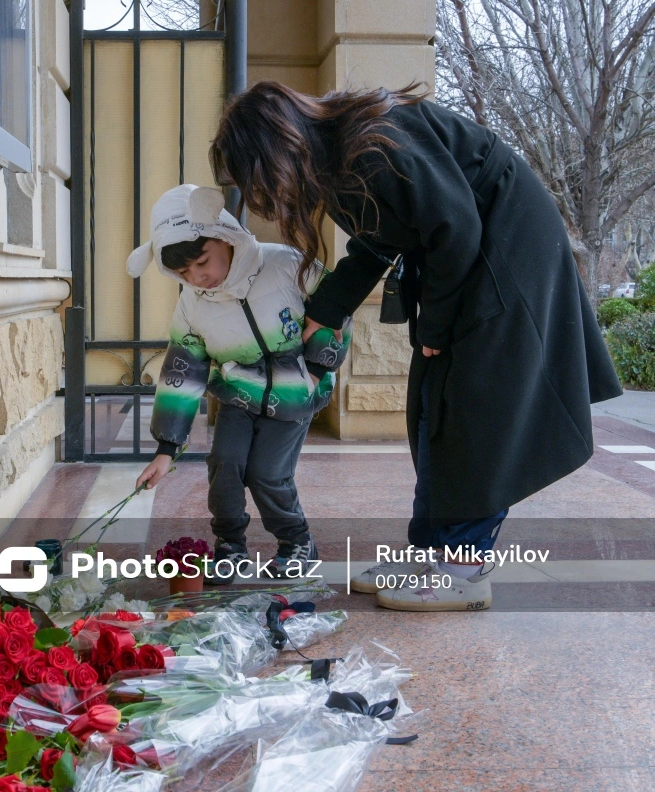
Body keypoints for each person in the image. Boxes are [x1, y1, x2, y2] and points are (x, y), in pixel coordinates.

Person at [209, 83, 623, 610]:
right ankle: (433, 550)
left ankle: (464, 568)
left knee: (476, 414)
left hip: (507, 252)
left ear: (278, 145)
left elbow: (456, 229)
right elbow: (380, 240)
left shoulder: (375, 142)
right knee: (433, 407)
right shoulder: (339, 159)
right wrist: (326, 309)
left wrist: (435, 331)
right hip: (469, 254)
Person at [130, 184, 352, 584]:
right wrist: (166, 448)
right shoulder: (192, 303)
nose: (198, 277)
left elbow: (335, 309)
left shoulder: (284, 264)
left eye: (202, 262)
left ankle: (297, 542)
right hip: (237, 393)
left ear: (225, 237)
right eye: (183, 273)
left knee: (268, 472)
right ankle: (230, 546)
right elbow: (183, 366)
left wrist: (316, 371)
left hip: (294, 393)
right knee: (226, 466)